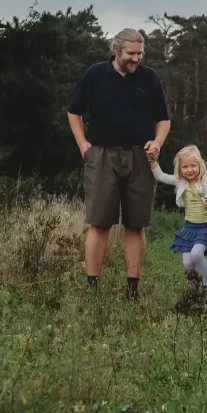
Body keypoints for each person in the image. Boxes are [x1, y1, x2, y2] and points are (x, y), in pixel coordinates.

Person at [66, 28, 170, 301]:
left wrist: (157, 142)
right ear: (116, 50)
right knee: (99, 223)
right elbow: (73, 111)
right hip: (101, 155)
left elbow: (163, 118)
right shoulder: (95, 74)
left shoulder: (150, 78)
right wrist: (82, 145)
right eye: (131, 54)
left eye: (140, 53)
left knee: (136, 224)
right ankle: (92, 288)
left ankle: (132, 290)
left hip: (140, 157)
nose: (136, 59)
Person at [150, 145, 207, 296]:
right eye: (185, 167)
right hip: (189, 228)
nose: (189, 170)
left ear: (200, 165)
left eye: (193, 165)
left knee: (197, 254)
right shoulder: (181, 181)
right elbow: (160, 176)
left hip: (206, 227)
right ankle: (195, 288)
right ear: (180, 169)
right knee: (187, 263)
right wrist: (153, 161)